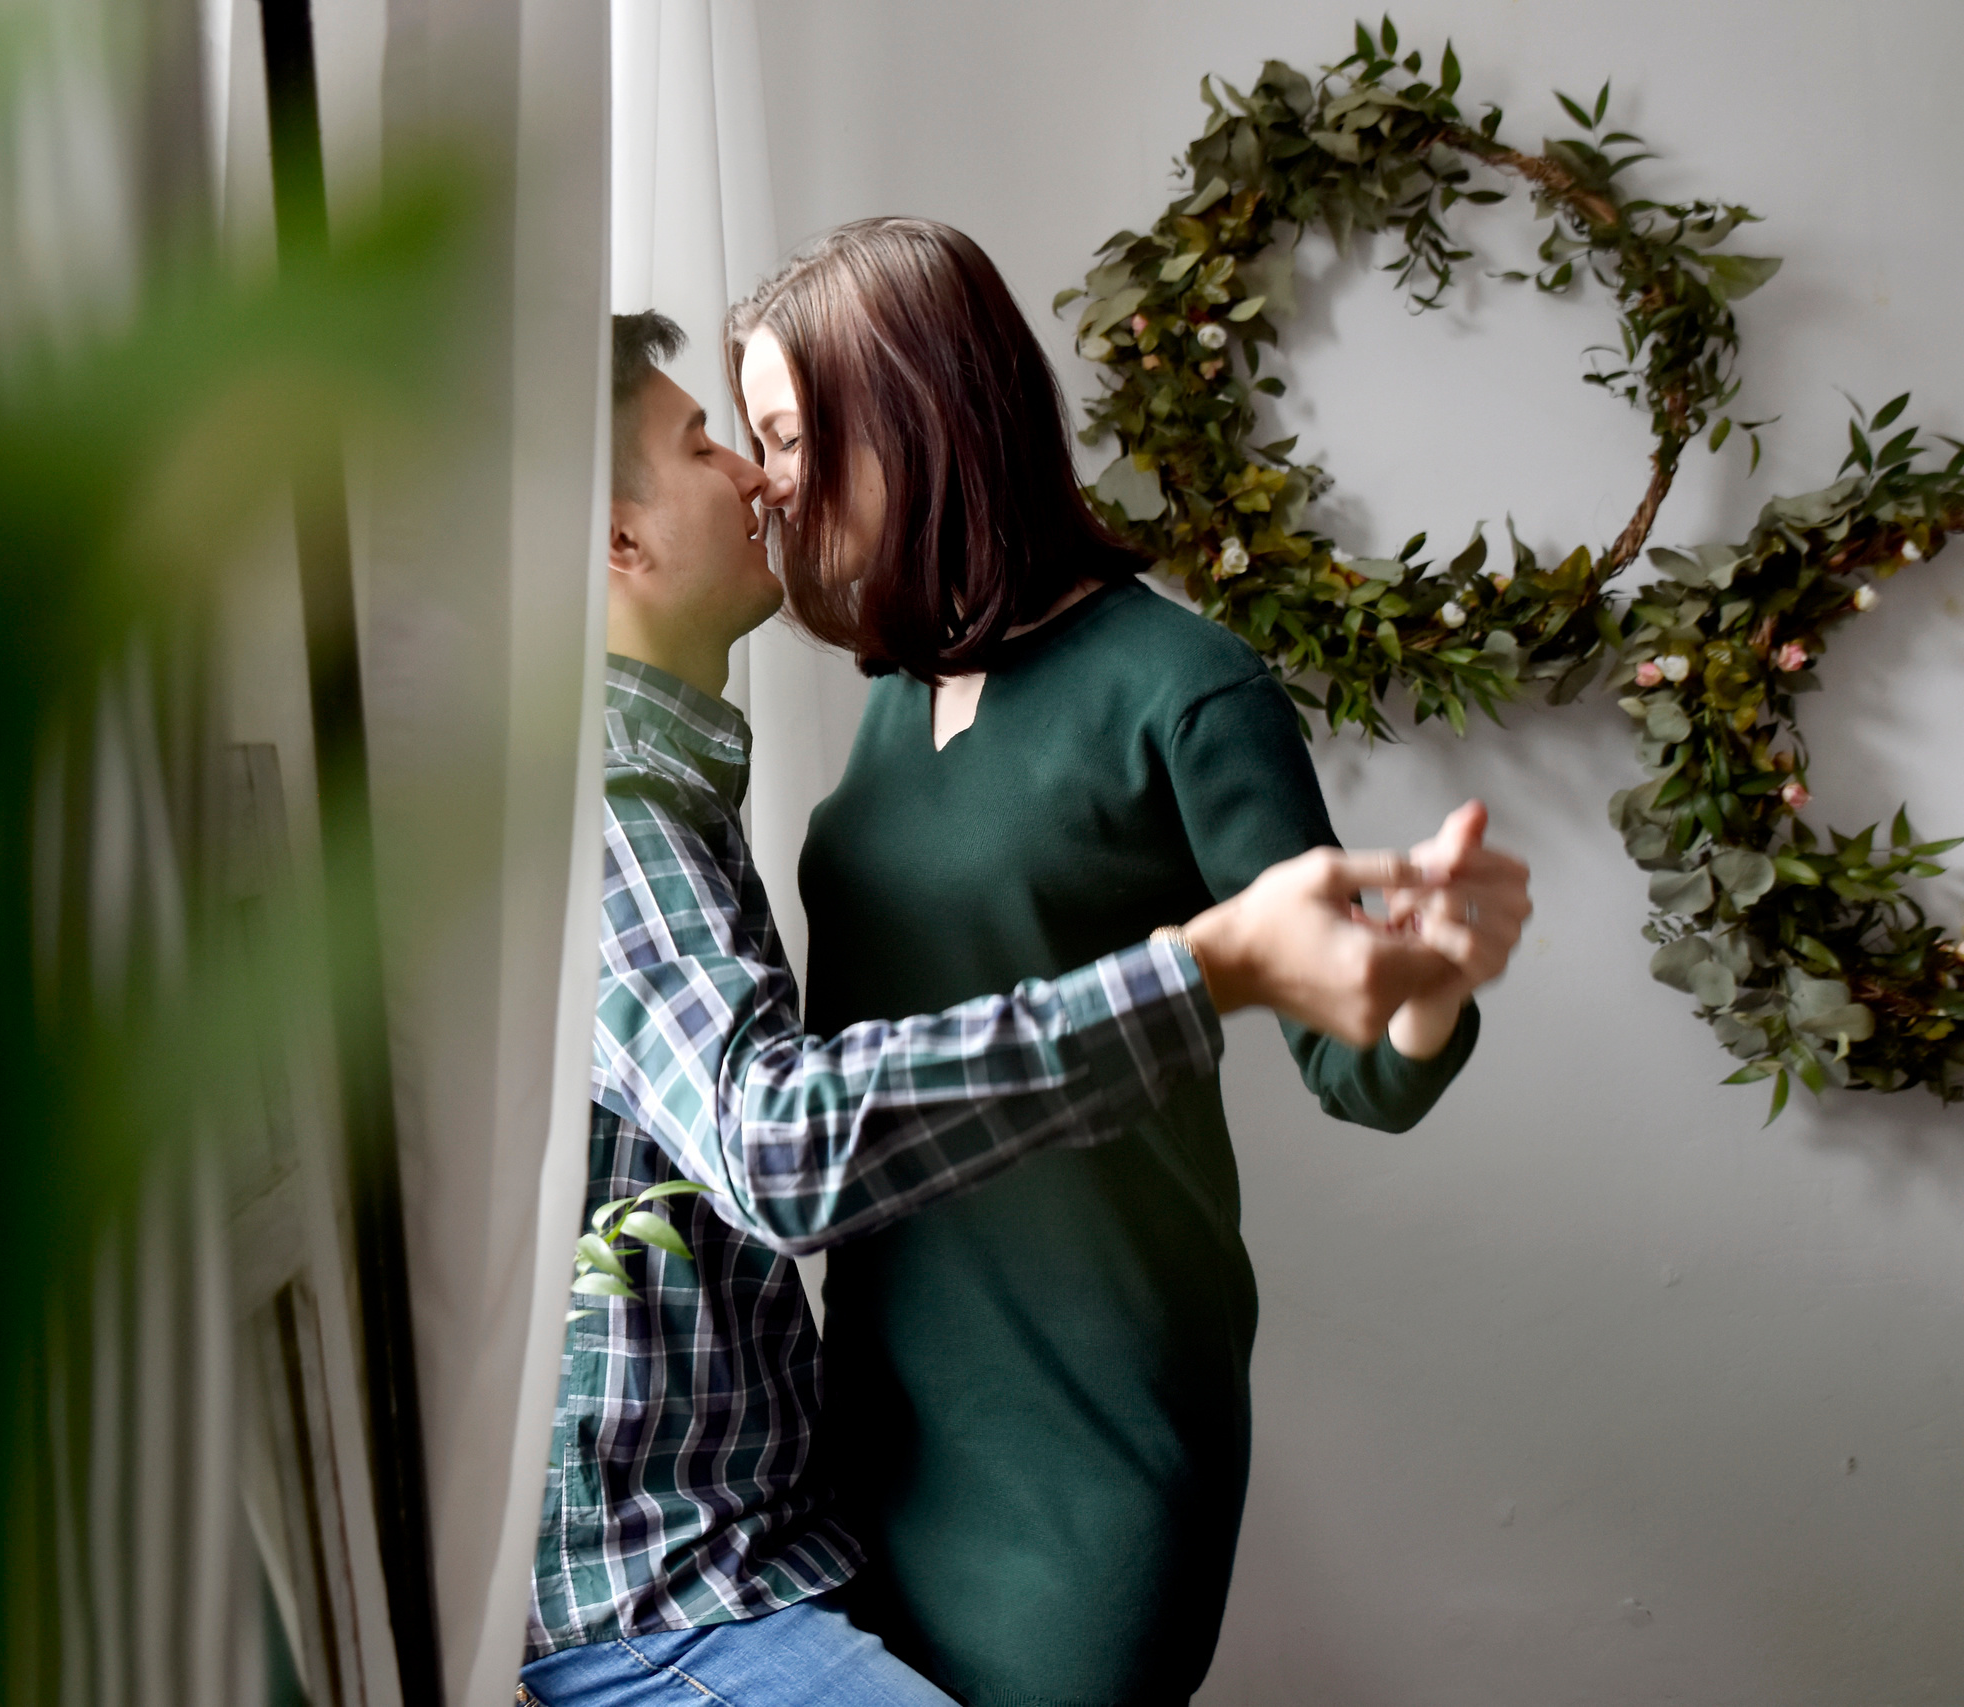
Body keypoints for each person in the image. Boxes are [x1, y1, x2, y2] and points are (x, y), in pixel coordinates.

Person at [518, 310, 1502, 1707]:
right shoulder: (852, 714)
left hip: (1079, 1411)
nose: (763, 479)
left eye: (787, 436)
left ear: (916, 420)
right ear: (615, 546)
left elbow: (1351, 1040)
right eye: (733, 442)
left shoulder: (1180, 688)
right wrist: (1198, 971)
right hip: (864, 1445)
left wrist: (1422, 991)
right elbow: (783, 1130)